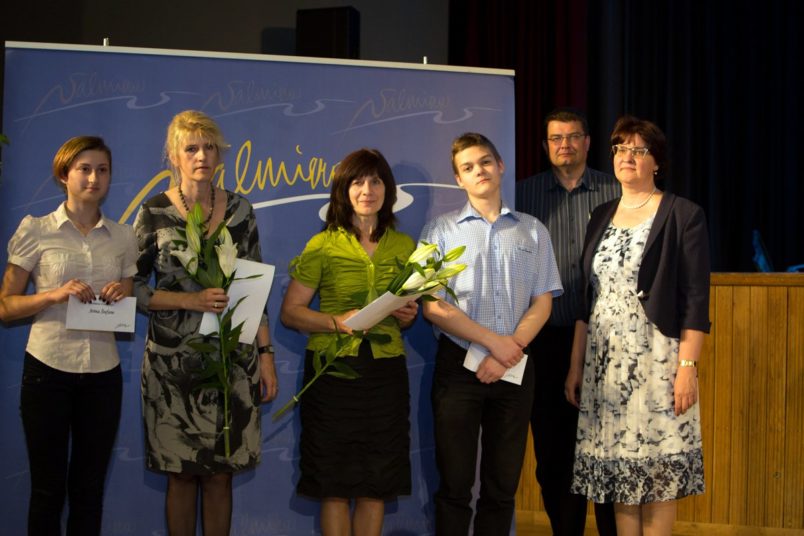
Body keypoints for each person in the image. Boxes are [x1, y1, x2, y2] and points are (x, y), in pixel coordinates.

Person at [133, 110, 278, 536]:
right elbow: (131, 289)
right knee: (180, 475)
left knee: (221, 475)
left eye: (209, 146)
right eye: (191, 148)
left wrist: (266, 357)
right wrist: (189, 299)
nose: (202, 155)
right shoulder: (154, 212)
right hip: (170, 368)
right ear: (174, 157)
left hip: (232, 362)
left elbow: (254, 288)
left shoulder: (240, 210)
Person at [565, 116, 709, 536]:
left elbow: (696, 301)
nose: (626, 157)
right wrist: (576, 366)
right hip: (604, 367)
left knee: (657, 479)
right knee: (622, 480)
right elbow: (585, 300)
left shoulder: (683, 214)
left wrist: (687, 368)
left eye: (638, 150)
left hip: (657, 362)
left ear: (656, 162)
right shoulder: (600, 214)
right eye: (620, 149)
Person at [420, 132, 563, 535]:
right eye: (467, 167)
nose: (478, 170)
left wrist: (508, 350)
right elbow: (432, 306)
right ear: (458, 180)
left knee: (502, 488)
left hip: (515, 369)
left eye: (484, 161)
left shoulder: (533, 230)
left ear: (500, 166)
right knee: (455, 486)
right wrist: (492, 343)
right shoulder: (439, 231)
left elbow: (543, 301)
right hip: (457, 369)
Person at [0, 136, 136, 535]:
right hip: (47, 370)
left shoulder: (124, 236)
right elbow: (6, 306)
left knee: (89, 491)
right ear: (65, 175)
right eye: (85, 169)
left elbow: (127, 292)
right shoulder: (36, 230)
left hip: (103, 373)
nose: (94, 178)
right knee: (47, 490)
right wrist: (53, 295)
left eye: (102, 170)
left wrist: (120, 292)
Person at [280, 148, 418, 536]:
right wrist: (335, 322)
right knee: (334, 484)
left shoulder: (404, 247)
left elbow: (409, 308)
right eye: (358, 181)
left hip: (385, 372)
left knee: (377, 482)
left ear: (387, 190)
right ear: (343, 190)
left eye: (375, 181)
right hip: (332, 373)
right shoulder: (323, 245)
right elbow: (291, 312)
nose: (367, 189)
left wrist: (408, 314)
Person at [516, 108, 620, 536]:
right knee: (555, 453)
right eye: (556, 139)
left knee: (612, 450)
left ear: (588, 142)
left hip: (611, 342)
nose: (565, 145)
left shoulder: (618, 192)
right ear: (545, 146)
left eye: (573, 136)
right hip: (545, 342)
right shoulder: (522, 196)